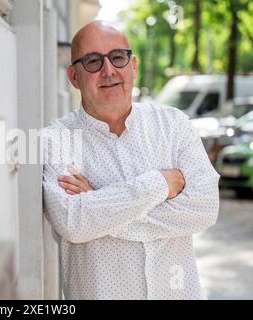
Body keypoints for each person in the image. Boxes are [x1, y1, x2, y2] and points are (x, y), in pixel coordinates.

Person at [42, 21, 220, 300]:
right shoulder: (55, 140)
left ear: (133, 65)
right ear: (74, 76)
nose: (108, 70)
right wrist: (160, 183)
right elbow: (73, 222)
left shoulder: (174, 125)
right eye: (92, 61)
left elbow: (205, 207)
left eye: (117, 57)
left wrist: (100, 205)